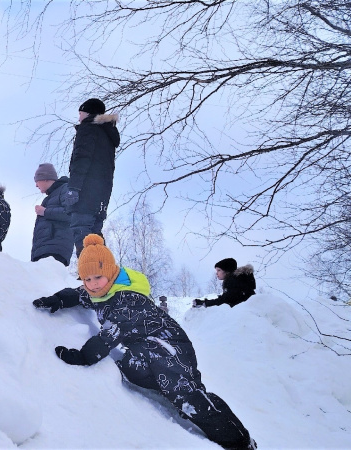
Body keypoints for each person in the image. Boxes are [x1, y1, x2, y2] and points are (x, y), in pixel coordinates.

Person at [33, 234, 256, 450]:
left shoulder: (126, 298)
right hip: (147, 347)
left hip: (170, 346)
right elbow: (78, 294)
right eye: (87, 279)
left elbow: (109, 335)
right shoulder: (100, 291)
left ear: (110, 273)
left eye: (97, 277)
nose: (92, 284)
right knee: (133, 368)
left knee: (186, 395)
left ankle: (239, 442)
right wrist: (57, 300)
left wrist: (82, 357)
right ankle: (165, 389)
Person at [67, 98, 120, 257]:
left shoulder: (88, 128)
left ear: (88, 113)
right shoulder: (107, 134)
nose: (79, 118)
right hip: (102, 193)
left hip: (86, 192)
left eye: (80, 113)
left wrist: (74, 188)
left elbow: (81, 158)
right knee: (95, 234)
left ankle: (89, 275)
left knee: (82, 230)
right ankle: (102, 273)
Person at [31, 163, 76, 266]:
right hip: (45, 250)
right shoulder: (50, 197)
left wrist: (45, 212)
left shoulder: (65, 189)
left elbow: (70, 213)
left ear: (46, 178)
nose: (36, 185)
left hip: (54, 250)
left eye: (37, 180)